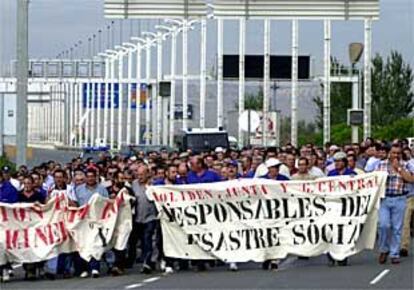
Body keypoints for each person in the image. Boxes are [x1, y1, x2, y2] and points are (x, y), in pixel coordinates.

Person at [376, 144, 414, 264]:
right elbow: (373, 180)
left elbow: (410, 179)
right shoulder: (380, 165)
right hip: (384, 199)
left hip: (400, 198)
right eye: (393, 153)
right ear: (389, 153)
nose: (395, 155)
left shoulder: (405, 165)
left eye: (398, 153)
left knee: (397, 228)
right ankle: (384, 249)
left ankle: (394, 253)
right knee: (383, 225)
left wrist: (399, 169)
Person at [74, 168, 109, 278]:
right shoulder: (78, 190)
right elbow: (75, 204)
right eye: (88, 176)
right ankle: (83, 269)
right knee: (83, 246)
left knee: (95, 244)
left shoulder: (102, 189)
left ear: (96, 177)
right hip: (82, 222)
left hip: (97, 221)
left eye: (92, 176)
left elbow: (107, 204)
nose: (90, 179)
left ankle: (95, 268)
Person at [127, 165, 158, 274]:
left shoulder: (153, 185)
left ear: (147, 174)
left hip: (151, 217)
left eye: (142, 174)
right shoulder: (134, 184)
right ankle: (145, 259)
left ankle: (148, 263)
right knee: (140, 242)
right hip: (137, 217)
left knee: (148, 238)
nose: (139, 177)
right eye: (138, 174)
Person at [18, 176, 47, 280]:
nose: (27, 185)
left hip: (36, 225)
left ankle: (40, 266)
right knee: (26, 248)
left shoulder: (38, 195)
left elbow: (45, 207)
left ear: (32, 184)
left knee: (39, 246)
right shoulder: (19, 195)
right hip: (23, 226)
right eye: (25, 183)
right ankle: (29, 269)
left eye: (29, 183)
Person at [401, 148, 414, 257]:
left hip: (411, 195)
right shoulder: (408, 164)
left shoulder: (408, 165)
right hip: (407, 195)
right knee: (405, 222)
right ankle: (403, 246)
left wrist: (400, 171)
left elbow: (411, 179)